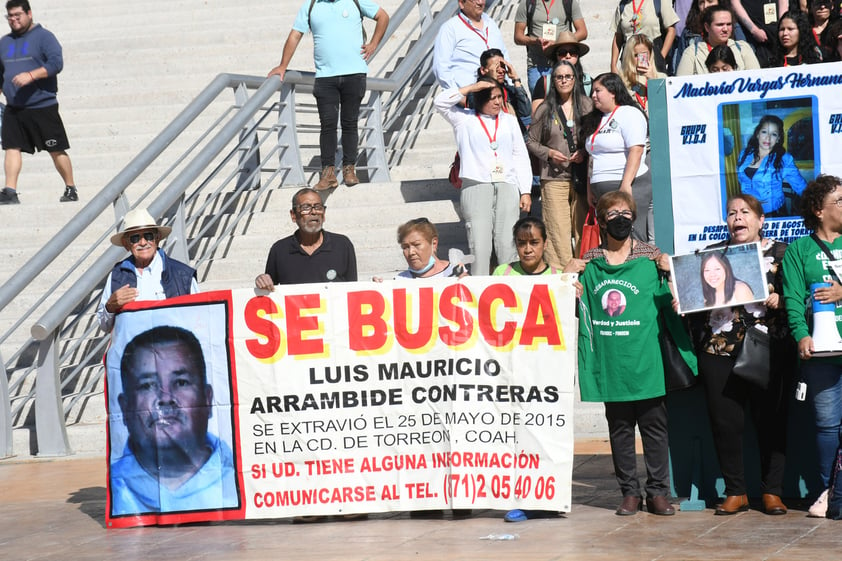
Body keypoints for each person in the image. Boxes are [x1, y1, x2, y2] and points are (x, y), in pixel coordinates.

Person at [566, 190, 677, 517]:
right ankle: (629, 492)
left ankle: (658, 492)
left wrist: (670, 271)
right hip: (610, 364)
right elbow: (568, 306)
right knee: (619, 430)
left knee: (655, 430)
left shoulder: (650, 258)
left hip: (646, 362)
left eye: (626, 213)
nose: (620, 219)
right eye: (612, 214)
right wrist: (566, 277)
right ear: (601, 221)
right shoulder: (590, 264)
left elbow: (678, 297)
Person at [687, 194, 794, 516]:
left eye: (745, 212)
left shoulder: (782, 253)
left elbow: (798, 294)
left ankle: (772, 492)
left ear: (761, 220)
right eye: (732, 213)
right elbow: (694, 300)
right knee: (725, 424)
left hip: (768, 350)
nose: (738, 218)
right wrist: (684, 303)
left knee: (771, 422)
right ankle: (736, 492)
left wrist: (781, 298)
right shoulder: (710, 255)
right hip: (718, 351)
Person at [110, 325, 238, 515]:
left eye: (181, 382)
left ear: (207, 399)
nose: (165, 398)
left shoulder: (243, 478)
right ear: (125, 408)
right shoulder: (117, 484)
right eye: (148, 385)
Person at [267, 0, 390, 191]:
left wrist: (374, 43)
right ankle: (328, 173)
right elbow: (295, 35)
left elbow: (383, 16)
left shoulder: (355, 1)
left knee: (349, 123)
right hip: (325, 77)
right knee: (328, 125)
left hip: (354, 74)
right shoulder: (311, 5)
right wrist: (282, 65)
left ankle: (349, 169)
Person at [782, 174, 842, 519]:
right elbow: (791, 297)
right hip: (821, 353)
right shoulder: (800, 250)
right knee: (826, 424)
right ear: (819, 210)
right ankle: (831, 491)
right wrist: (801, 335)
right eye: (839, 201)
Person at [434, 77, 532, 276]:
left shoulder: (509, 121)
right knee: (480, 246)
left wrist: (526, 190)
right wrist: (471, 87)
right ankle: (480, 292)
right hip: (476, 185)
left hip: (506, 184)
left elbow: (520, 155)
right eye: (491, 98)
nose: (497, 102)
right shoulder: (463, 118)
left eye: (499, 97)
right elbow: (440, 102)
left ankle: (510, 289)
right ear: (479, 99)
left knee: (507, 244)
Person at [0, 0, 77, 205]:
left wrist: (32, 75)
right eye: (10, 16)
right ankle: (10, 191)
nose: (14, 20)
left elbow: (55, 63)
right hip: (14, 108)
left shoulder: (44, 37)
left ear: (29, 13)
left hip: (42, 106)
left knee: (55, 149)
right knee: (11, 147)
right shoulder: (4, 42)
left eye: (18, 15)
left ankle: (70, 187)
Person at [527, 59, 592, 269]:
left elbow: (596, 135)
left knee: (583, 231)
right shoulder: (545, 109)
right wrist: (549, 153)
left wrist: (585, 151)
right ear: (553, 81)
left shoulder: (587, 105)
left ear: (575, 79)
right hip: (554, 177)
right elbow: (531, 141)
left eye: (568, 76)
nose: (564, 81)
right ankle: (563, 278)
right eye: (559, 77)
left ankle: (586, 274)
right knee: (557, 233)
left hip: (582, 177)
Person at [97, 208, 199, 332]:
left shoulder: (183, 275)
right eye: (135, 238)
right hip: (133, 350)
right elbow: (104, 326)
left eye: (148, 236)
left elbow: (199, 318)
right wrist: (110, 307)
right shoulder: (117, 275)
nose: (143, 242)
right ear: (126, 244)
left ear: (157, 239)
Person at [582, 72, 652, 243]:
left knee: (633, 234)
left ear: (612, 92)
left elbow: (636, 150)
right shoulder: (596, 119)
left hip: (627, 185)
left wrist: (626, 184)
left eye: (598, 91)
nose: (593, 95)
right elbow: (592, 156)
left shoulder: (629, 113)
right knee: (610, 239)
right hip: (601, 189)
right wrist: (590, 187)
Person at [255, 187, 357, 289]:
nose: (313, 212)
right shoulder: (280, 250)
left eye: (318, 207)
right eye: (306, 208)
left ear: (324, 213)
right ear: (293, 215)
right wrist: (262, 281)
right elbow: (269, 292)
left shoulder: (342, 245)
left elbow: (353, 290)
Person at [736, 114, 808, 217]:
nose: (768, 138)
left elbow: (801, 186)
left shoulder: (784, 159)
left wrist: (817, 204)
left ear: (778, 138)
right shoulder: (744, 154)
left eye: (773, 134)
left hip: (773, 214)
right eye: (764, 132)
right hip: (748, 212)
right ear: (757, 134)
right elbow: (742, 181)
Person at [433, 0, 508, 91]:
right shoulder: (450, 29)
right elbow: (441, 68)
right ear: (461, 3)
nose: (480, 3)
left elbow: (505, 57)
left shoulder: (491, 24)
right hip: (468, 99)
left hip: (496, 97)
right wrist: (460, 97)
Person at [513, 0, 587, 91]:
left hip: (563, 64)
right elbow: (518, 37)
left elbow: (583, 32)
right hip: (537, 64)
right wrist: (536, 41)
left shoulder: (568, 2)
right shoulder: (527, 3)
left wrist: (559, 42)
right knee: (539, 103)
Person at [676, 5, 761, 74]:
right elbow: (680, 86)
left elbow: (757, 79)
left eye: (729, 24)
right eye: (720, 25)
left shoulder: (743, 48)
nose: (725, 29)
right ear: (707, 27)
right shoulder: (692, 53)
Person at [610, 0, 680, 75]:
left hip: (653, 56)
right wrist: (613, 65)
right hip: (629, 60)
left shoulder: (659, 2)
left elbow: (671, 31)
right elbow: (618, 37)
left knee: (653, 85)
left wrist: (660, 58)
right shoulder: (623, 5)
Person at [477, 48, 531, 136]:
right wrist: (492, 82)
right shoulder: (476, 93)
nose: (501, 70)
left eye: (503, 66)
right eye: (496, 67)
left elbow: (526, 112)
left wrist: (516, 79)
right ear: (483, 70)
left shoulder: (511, 90)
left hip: (516, 138)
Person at [531, 32, 593, 108]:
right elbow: (537, 116)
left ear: (578, 55)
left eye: (573, 52)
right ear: (556, 56)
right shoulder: (544, 83)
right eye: (562, 53)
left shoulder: (588, 82)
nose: (568, 56)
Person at [395, 218, 467, 279]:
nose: (411, 252)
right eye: (405, 247)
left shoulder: (456, 273)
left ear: (434, 243)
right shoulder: (400, 281)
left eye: (416, 244)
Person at [731, 0, 788, 67]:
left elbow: (783, 3)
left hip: (776, 29)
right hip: (749, 31)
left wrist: (783, 24)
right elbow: (735, 3)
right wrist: (753, 30)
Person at [619, 34, 666, 115]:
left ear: (651, 54)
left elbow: (663, 104)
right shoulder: (621, 80)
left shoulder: (661, 78)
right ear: (629, 56)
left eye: (644, 54)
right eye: (636, 55)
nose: (641, 59)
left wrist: (653, 81)